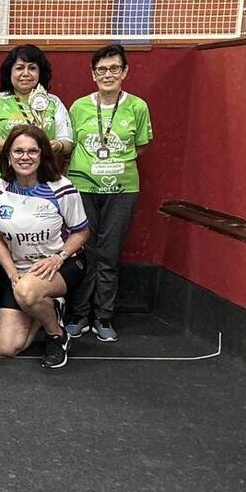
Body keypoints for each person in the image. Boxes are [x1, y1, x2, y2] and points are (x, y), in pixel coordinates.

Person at [64, 43, 153, 342]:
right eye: (101, 69)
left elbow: (140, 146)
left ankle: (103, 316)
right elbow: (69, 144)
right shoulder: (78, 107)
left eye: (114, 68)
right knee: (82, 252)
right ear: (92, 74)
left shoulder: (137, 107)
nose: (108, 74)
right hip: (82, 187)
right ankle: (78, 314)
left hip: (122, 188)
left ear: (125, 71)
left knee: (109, 253)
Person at [0, 125, 90, 370]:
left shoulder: (62, 188)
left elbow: (82, 232)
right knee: (7, 347)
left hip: (63, 264)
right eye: (18, 151)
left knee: (27, 291)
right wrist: (12, 274)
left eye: (33, 151)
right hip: (20, 272)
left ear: (43, 154)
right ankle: (50, 306)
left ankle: (57, 336)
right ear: (8, 156)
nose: (25, 157)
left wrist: (58, 257)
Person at [0, 44, 73, 197]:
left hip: (41, 185)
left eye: (32, 68)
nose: (25, 73)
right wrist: (22, 147)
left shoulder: (53, 102)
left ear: (40, 73)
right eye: (19, 68)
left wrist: (57, 145)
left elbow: (68, 143)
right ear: (10, 72)